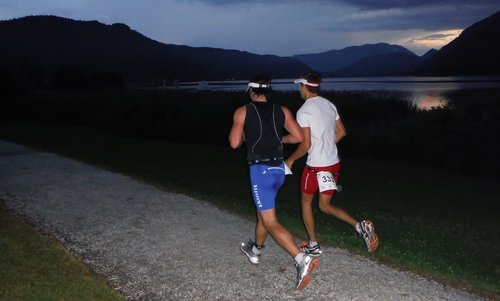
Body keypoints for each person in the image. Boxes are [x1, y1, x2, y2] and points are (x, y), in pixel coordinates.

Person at [228, 73, 318, 290]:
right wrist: (279, 138)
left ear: (251, 90)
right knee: (264, 213)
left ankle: (300, 259)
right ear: (268, 91)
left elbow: (234, 143)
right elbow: (298, 137)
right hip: (278, 170)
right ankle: (256, 250)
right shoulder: (283, 110)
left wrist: (246, 136)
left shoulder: (243, 111)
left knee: (270, 220)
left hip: (261, 171)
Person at [284, 71, 379, 257]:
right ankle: (360, 226)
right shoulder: (329, 104)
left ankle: (313, 245)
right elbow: (342, 131)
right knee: (325, 205)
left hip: (315, 167)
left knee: (305, 204)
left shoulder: (304, 110)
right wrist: (326, 146)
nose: (299, 89)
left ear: (304, 86)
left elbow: (305, 144)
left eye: (299, 86)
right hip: (333, 164)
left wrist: (290, 160)